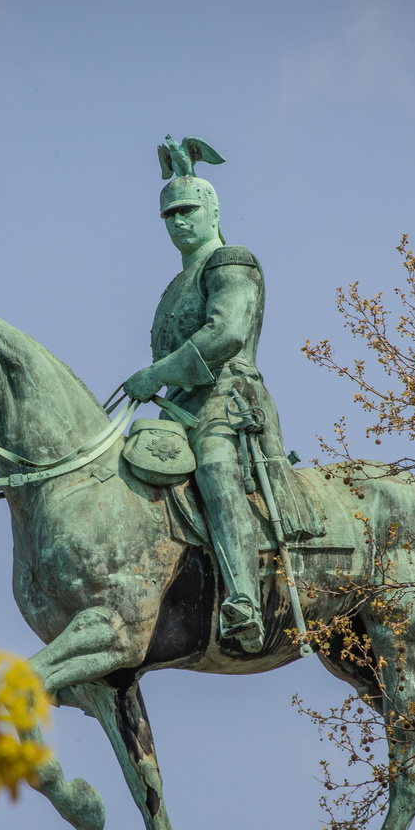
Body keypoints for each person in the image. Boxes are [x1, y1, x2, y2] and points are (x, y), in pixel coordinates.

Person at [124, 138, 289, 654]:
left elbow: (226, 334)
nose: (177, 220)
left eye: (188, 209)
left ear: (213, 210)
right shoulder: (173, 287)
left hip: (229, 399)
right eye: (168, 213)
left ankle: (243, 601)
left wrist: (154, 374)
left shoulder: (231, 261)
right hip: (181, 407)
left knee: (216, 467)